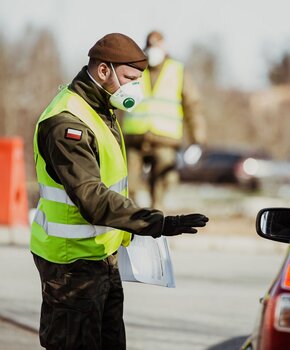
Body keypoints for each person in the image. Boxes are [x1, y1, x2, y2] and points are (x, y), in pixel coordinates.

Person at [30, 32, 209, 350]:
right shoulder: (67, 124)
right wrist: (157, 223)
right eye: (129, 78)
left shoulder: (101, 110)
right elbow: (93, 199)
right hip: (71, 266)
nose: (135, 88)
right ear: (103, 71)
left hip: (100, 258)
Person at [122, 30, 206, 209]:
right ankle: (131, 222)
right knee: (126, 184)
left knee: (162, 181)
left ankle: (156, 220)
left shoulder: (177, 71)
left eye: (157, 45)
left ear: (164, 47)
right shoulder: (136, 69)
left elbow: (193, 107)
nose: (153, 50)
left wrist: (196, 141)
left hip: (165, 140)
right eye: (150, 45)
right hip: (134, 138)